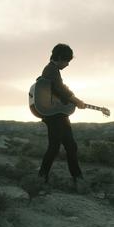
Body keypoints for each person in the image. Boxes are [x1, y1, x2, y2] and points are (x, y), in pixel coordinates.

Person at [38, 43, 86, 189]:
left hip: (59, 115)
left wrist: (73, 100)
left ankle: (77, 178)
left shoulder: (52, 70)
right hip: (54, 115)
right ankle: (41, 178)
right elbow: (60, 89)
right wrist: (76, 100)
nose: (67, 64)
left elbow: (60, 89)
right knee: (55, 147)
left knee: (70, 146)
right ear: (59, 58)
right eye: (66, 61)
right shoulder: (51, 69)